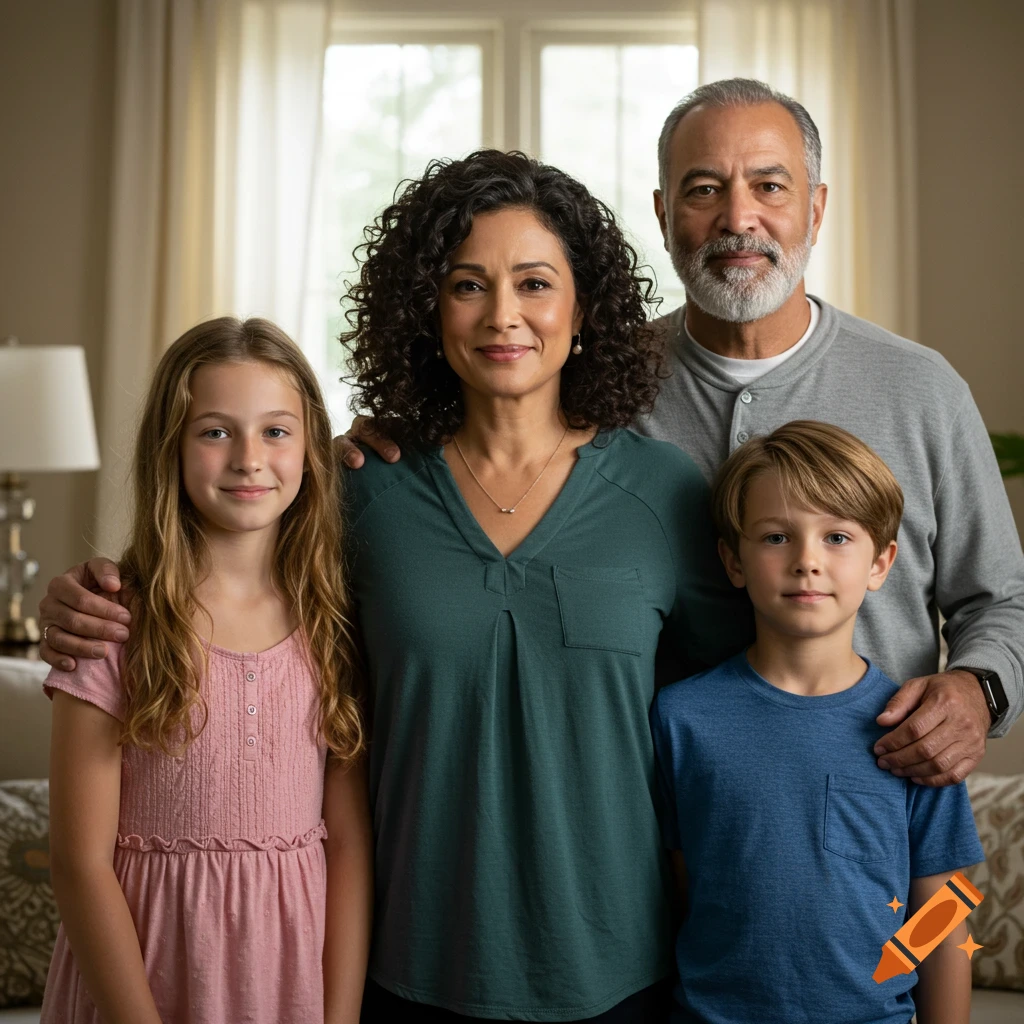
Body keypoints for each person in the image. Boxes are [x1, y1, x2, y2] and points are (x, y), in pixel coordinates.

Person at [324, 77, 1023, 784]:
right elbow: (488, 416)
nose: (737, 217)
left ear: (816, 208)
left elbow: (1003, 598)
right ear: (663, 214)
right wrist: (386, 440)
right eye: (703, 189)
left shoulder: (921, 389)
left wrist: (976, 689)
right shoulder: (592, 380)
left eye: (770, 186)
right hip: (670, 834)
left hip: (881, 804)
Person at [39, 318, 373, 1024]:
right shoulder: (113, 624)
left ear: (313, 448)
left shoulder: (334, 625)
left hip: (286, 989)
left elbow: (346, 845)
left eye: (277, 432)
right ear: (171, 449)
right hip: (139, 989)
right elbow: (78, 862)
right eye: (216, 431)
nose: (249, 459)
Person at [650, 420, 984, 1024]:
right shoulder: (681, 719)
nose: (807, 561)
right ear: (733, 559)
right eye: (777, 537)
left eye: (836, 537)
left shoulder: (916, 730)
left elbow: (943, 907)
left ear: (881, 563)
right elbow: (678, 894)